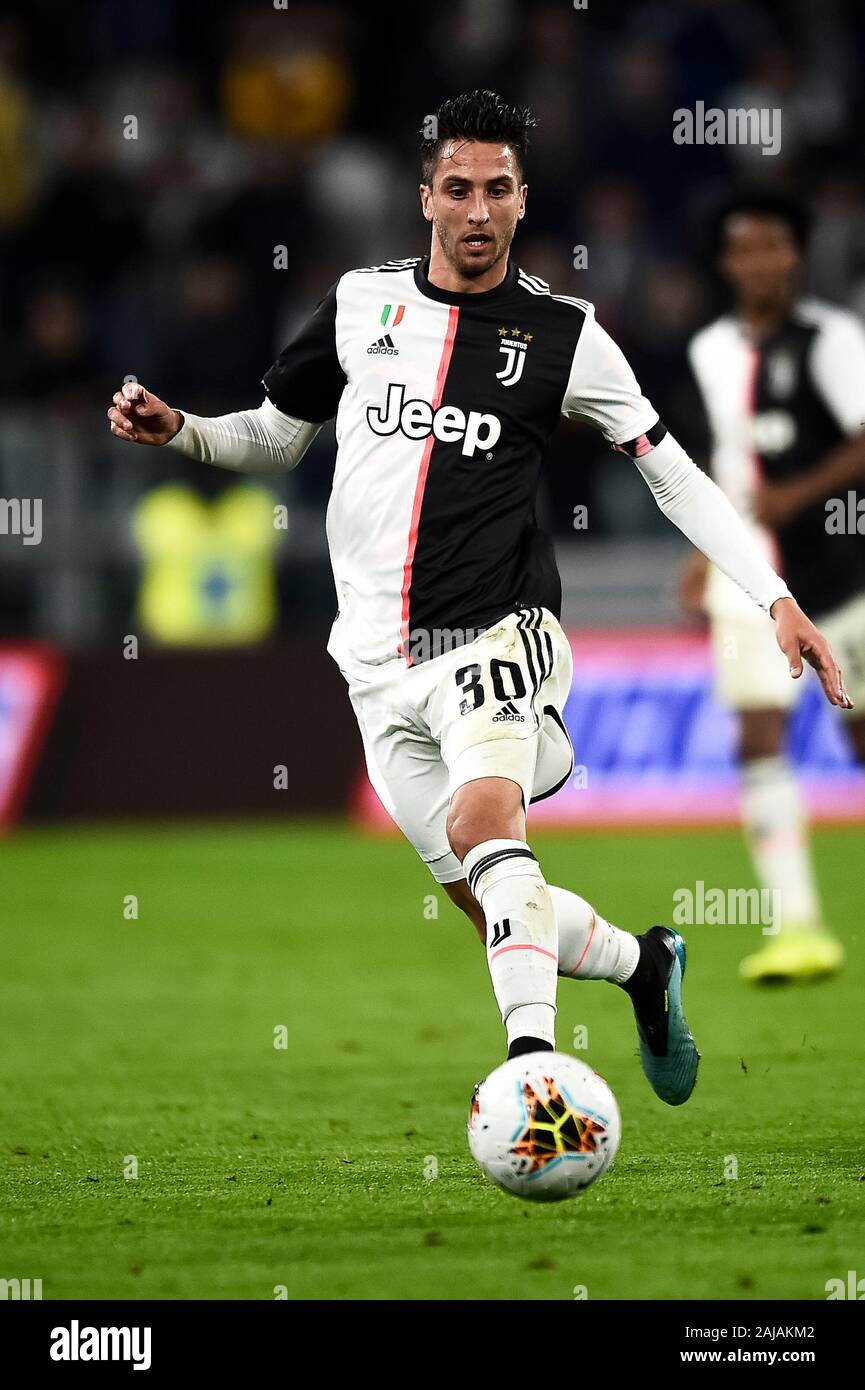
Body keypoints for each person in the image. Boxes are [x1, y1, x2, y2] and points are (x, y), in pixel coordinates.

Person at [108, 92, 851, 1105]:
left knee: (487, 820)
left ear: (521, 200)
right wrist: (183, 429)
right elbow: (276, 435)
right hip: (373, 660)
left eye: (496, 189)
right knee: (493, 894)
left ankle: (530, 1072)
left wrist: (773, 596)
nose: (476, 209)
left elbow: (668, 471)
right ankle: (648, 966)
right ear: (424, 197)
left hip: (498, 630)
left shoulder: (564, 335)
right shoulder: (362, 304)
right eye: (457, 187)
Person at [682, 191, 865, 984]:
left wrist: (799, 495)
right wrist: (705, 550)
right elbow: (724, 457)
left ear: (794, 254)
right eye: (740, 249)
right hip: (753, 572)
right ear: (724, 263)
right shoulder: (709, 348)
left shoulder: (833, 339)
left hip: (842, 569)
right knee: (756, 737)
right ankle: (798, 929)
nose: (755, 262)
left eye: (770, 247)